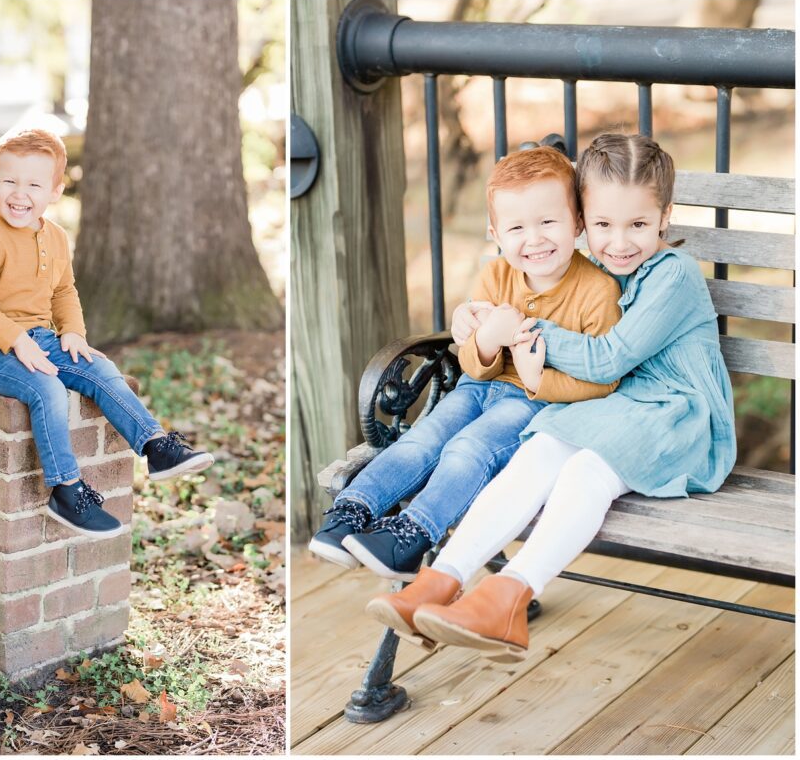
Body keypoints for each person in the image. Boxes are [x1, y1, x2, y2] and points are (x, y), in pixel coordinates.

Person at [368, 133, 735, 662]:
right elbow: (514, 297)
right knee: (539, 446)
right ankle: (438, 582)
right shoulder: (597, 270)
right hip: (616, 410)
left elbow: (609, 359)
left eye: (637, 224)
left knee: (584, 471)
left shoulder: (673, 274)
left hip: (679, 418)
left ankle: (509, 598)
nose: (619, 242)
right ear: (584, 219)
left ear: (665, 217)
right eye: (604, 225)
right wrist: (474, 318)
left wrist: (517, 324)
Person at [309, 145, 622, 581]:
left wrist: (537, 382)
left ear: (578, 223)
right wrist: (488, 341)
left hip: (536, 406)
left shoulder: (597, 291)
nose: (534, 239)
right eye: (516, 227)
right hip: (477, 389)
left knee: (468, 449)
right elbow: (474, 367)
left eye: (548, 221)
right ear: (495, 233)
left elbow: (604, 380)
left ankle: (411, 535)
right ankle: (351, 510)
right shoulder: (495, 276)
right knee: (424, 437)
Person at [0, 127, 213, 539]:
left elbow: (63, 291)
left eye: (34, 184)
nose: (20, 194)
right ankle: (66, 489)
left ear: (55, 191)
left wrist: (72, 331)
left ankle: (156, 447)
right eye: (9, 182)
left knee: (100, 369)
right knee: (48, 389)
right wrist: (15, 340)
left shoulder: (54, 237)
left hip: (40, 340)